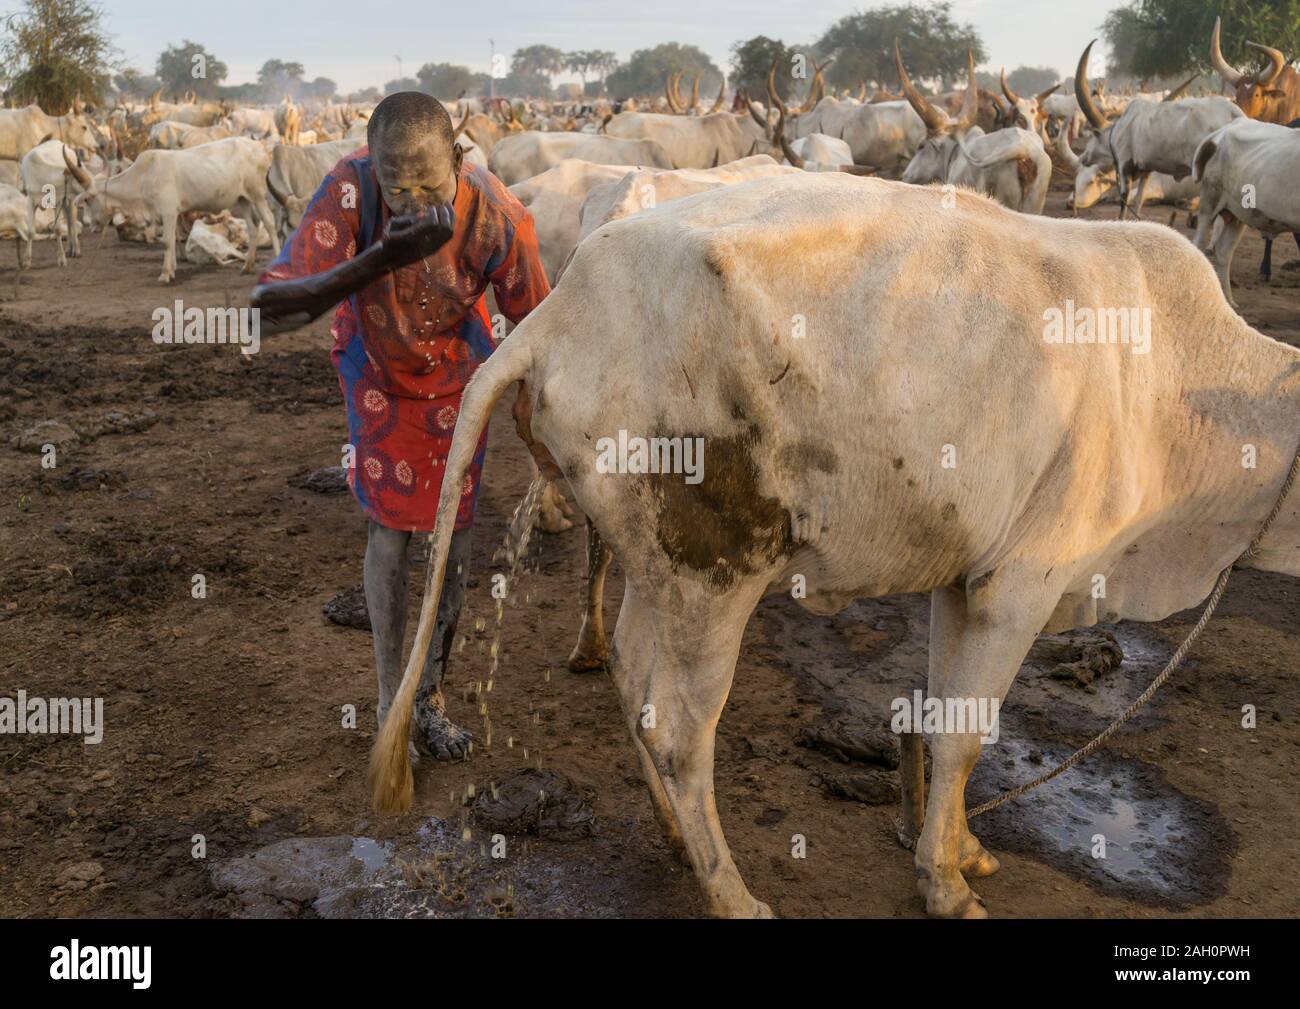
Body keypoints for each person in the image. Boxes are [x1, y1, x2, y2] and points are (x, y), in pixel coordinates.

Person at [250, 92, 550, 762]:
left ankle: (429, 698)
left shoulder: (496, 214)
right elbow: (270, 308)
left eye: (430, 183)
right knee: (390, 530)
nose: (413, 200)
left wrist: (537, 418)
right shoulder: (351, 189)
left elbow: (539, 324)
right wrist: (379, 258)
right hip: (376, 374)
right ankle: (390, 701)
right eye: (398, 185)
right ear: (373, 166)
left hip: (456, 378)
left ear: (460, 155)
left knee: (454, 537)